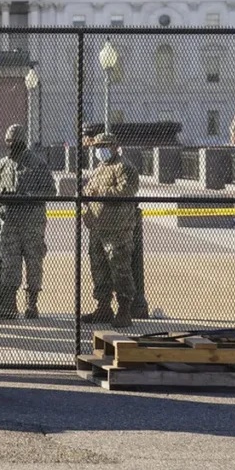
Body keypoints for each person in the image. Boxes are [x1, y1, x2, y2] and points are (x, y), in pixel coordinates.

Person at [0, 124, 56, 319]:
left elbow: (50, 192)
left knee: (33, 262)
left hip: (31, 223)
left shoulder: (37, 164)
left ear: (23, 142)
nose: (11, 146)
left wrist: (28, 196)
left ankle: (31, 304)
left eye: (15, 142)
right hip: (9, 222)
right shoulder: (2, 164)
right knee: (9, 262)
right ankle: (10, 304)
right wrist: (1, 200)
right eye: (8, 142)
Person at [81, 133, 140, 328]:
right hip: (97, 227)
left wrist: (100, 194)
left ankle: (124, 310)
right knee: (99, 268)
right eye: (97, 146)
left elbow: (126, 191)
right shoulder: (100, 169)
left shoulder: (124, 167)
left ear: (115, 146)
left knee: (120, 268)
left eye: (104, 146)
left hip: (117, 229)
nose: (100, 150)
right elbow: (90, 190)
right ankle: (103, 307)